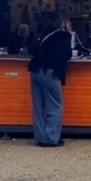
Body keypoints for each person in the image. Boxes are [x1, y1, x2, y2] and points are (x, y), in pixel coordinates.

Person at [28, 15, 73, 147]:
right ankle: (50, 138)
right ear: (68, 26)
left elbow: (34, 49)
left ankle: (39, 137)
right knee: (55, 105)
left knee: (38, 106)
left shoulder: (48, 35)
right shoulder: (64, 36)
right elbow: (66, 54)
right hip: (50, 72)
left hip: (35, 71)